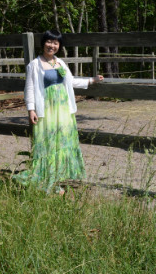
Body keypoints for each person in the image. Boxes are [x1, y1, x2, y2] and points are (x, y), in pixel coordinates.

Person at [15, 29, 103, 193]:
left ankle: (56, 180)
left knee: (60, 143)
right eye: (49, 41)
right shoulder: (34, 65)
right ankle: (45, 183)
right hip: (46, 110)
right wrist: (31, 110)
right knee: (47, 144)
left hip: (63, 110)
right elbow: (30, 89)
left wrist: (92, 80)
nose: (52, 45)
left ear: (59, 46)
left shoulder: (60, 63)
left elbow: (71, 82)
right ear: (43, 43)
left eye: (56, 43)